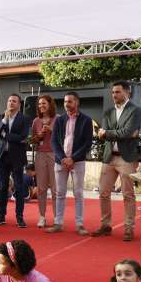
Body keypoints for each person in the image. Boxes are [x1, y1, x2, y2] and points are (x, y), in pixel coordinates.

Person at [92, 81, 141, 241]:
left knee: (128, 194)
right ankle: (105, 225)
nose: (114, 95)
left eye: (117, 92)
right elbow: (124, 133)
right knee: (103, 193)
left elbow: (127, 131)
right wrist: (122, 133)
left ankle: (129, 229)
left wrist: (107, 133)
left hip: (127, 158)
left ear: (127, 92)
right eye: (113, 92)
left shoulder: (136, 111)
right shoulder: (108, 112)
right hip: (109, 157)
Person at [48, 92, 93, 235]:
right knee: (59, 193)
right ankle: (58, 223)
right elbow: (54, 141)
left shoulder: (86, 120)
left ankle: (79, 224)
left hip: (77, 162)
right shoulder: (59, 120)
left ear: (77, 103)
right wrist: (63, 158)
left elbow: (87, 143)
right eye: (65, 101)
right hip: (60, 161)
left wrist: (72, 158)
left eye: (70, 101)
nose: (67, 104)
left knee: (78, 193)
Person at [0, 94, 31, 228]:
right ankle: (1, 215)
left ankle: (19, 217)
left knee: (19, 187)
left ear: (19, 104)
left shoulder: (24, 118)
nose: (11, 103)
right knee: (3, 187)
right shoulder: (1, 117)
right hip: (2, 156)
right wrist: (4, 121)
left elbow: (23, 136)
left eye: (14, 101)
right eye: (9, 101)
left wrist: (5, 135)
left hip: (17, 156)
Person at [31, 95, 57, 228]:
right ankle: (42, 217)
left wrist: (52, 130)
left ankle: (57, 218)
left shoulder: (57, 119)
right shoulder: (36, 121)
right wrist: (38, 136)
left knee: (55, 188)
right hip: (40, 154)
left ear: (50, 104)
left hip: (54, 154)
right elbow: (32, 140)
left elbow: (63, 137)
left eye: (44, 103)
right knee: (41, 188)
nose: (41, 106)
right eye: (39, 104)